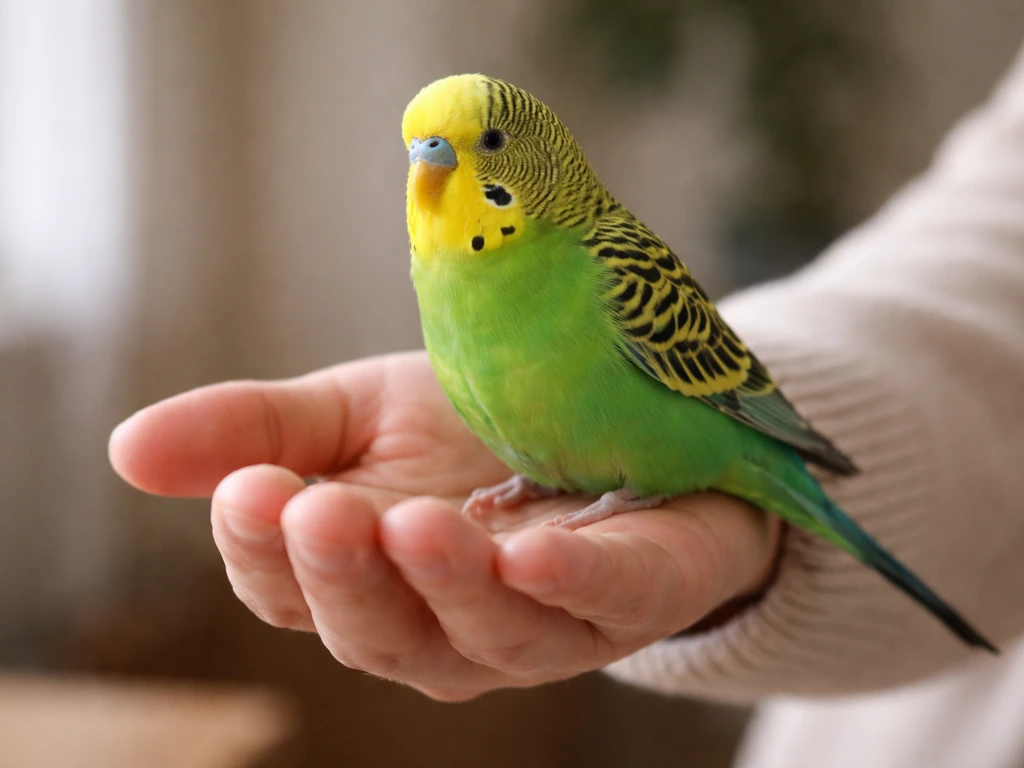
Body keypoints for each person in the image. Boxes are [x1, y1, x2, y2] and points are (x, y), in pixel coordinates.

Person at [109, 41, 1024, 768]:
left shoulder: (603, 263)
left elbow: (710, 384)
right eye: (422, 147)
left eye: (482, 148)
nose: (435, 165)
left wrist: (636, 494)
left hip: (732, 444)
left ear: (537, 162)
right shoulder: (443, 271)